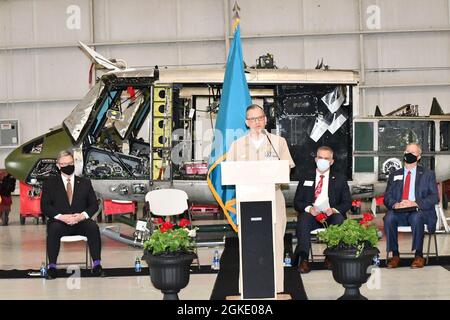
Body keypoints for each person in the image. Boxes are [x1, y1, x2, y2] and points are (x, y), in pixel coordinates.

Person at [227, 104, 295, 294]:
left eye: (260, 118)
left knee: (275, 244)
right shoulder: (237, 145)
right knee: (249, 245)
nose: (256, 122)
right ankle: (248, 288)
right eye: (252, 119)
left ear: (265, 119)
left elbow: (287, 167)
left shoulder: (277, 142)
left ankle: (276, 288)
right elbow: (230, 171)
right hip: (247, 200)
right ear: (246, 122)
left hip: (273, 197)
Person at [41, 150, 103, 279]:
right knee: (53, 229)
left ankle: (97, 265)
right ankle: (52, 267)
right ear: (58, 165)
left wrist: (82, 216)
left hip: (80, 221)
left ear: (74, 163)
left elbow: (93, 205)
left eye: (70, 163)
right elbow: (45, 206)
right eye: (64, 164)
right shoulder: (49, 183)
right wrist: (61, 217)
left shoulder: (85, 182)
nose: (68, 166)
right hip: (60, 222)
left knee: (93, 227)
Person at [294, 146, 351, 273]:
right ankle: (303, 259)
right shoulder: (306, 177)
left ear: (331, 162)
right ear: (315, 159)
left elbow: (347, 202)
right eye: (320, 157)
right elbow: (297, 202)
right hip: (312, 215)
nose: (323, 160)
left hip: (330, 214)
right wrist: (309, 209)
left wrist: (334, 210)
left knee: (339, 219)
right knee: (303, 219)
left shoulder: (340, 179)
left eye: (326, 158)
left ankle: (330, 257)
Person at [384, 143, 439, 268]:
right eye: (407, 151)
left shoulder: (428, 174)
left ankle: (419, 255)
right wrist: (395, 204)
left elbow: (434, 197)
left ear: (419, 157)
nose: (409, 154)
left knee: (416, 217)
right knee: (389, 217)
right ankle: (395, 255)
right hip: (399, 211)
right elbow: (387, 196)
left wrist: (415, 203)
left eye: (413, 153)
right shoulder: (394, 174)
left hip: (418, 211)